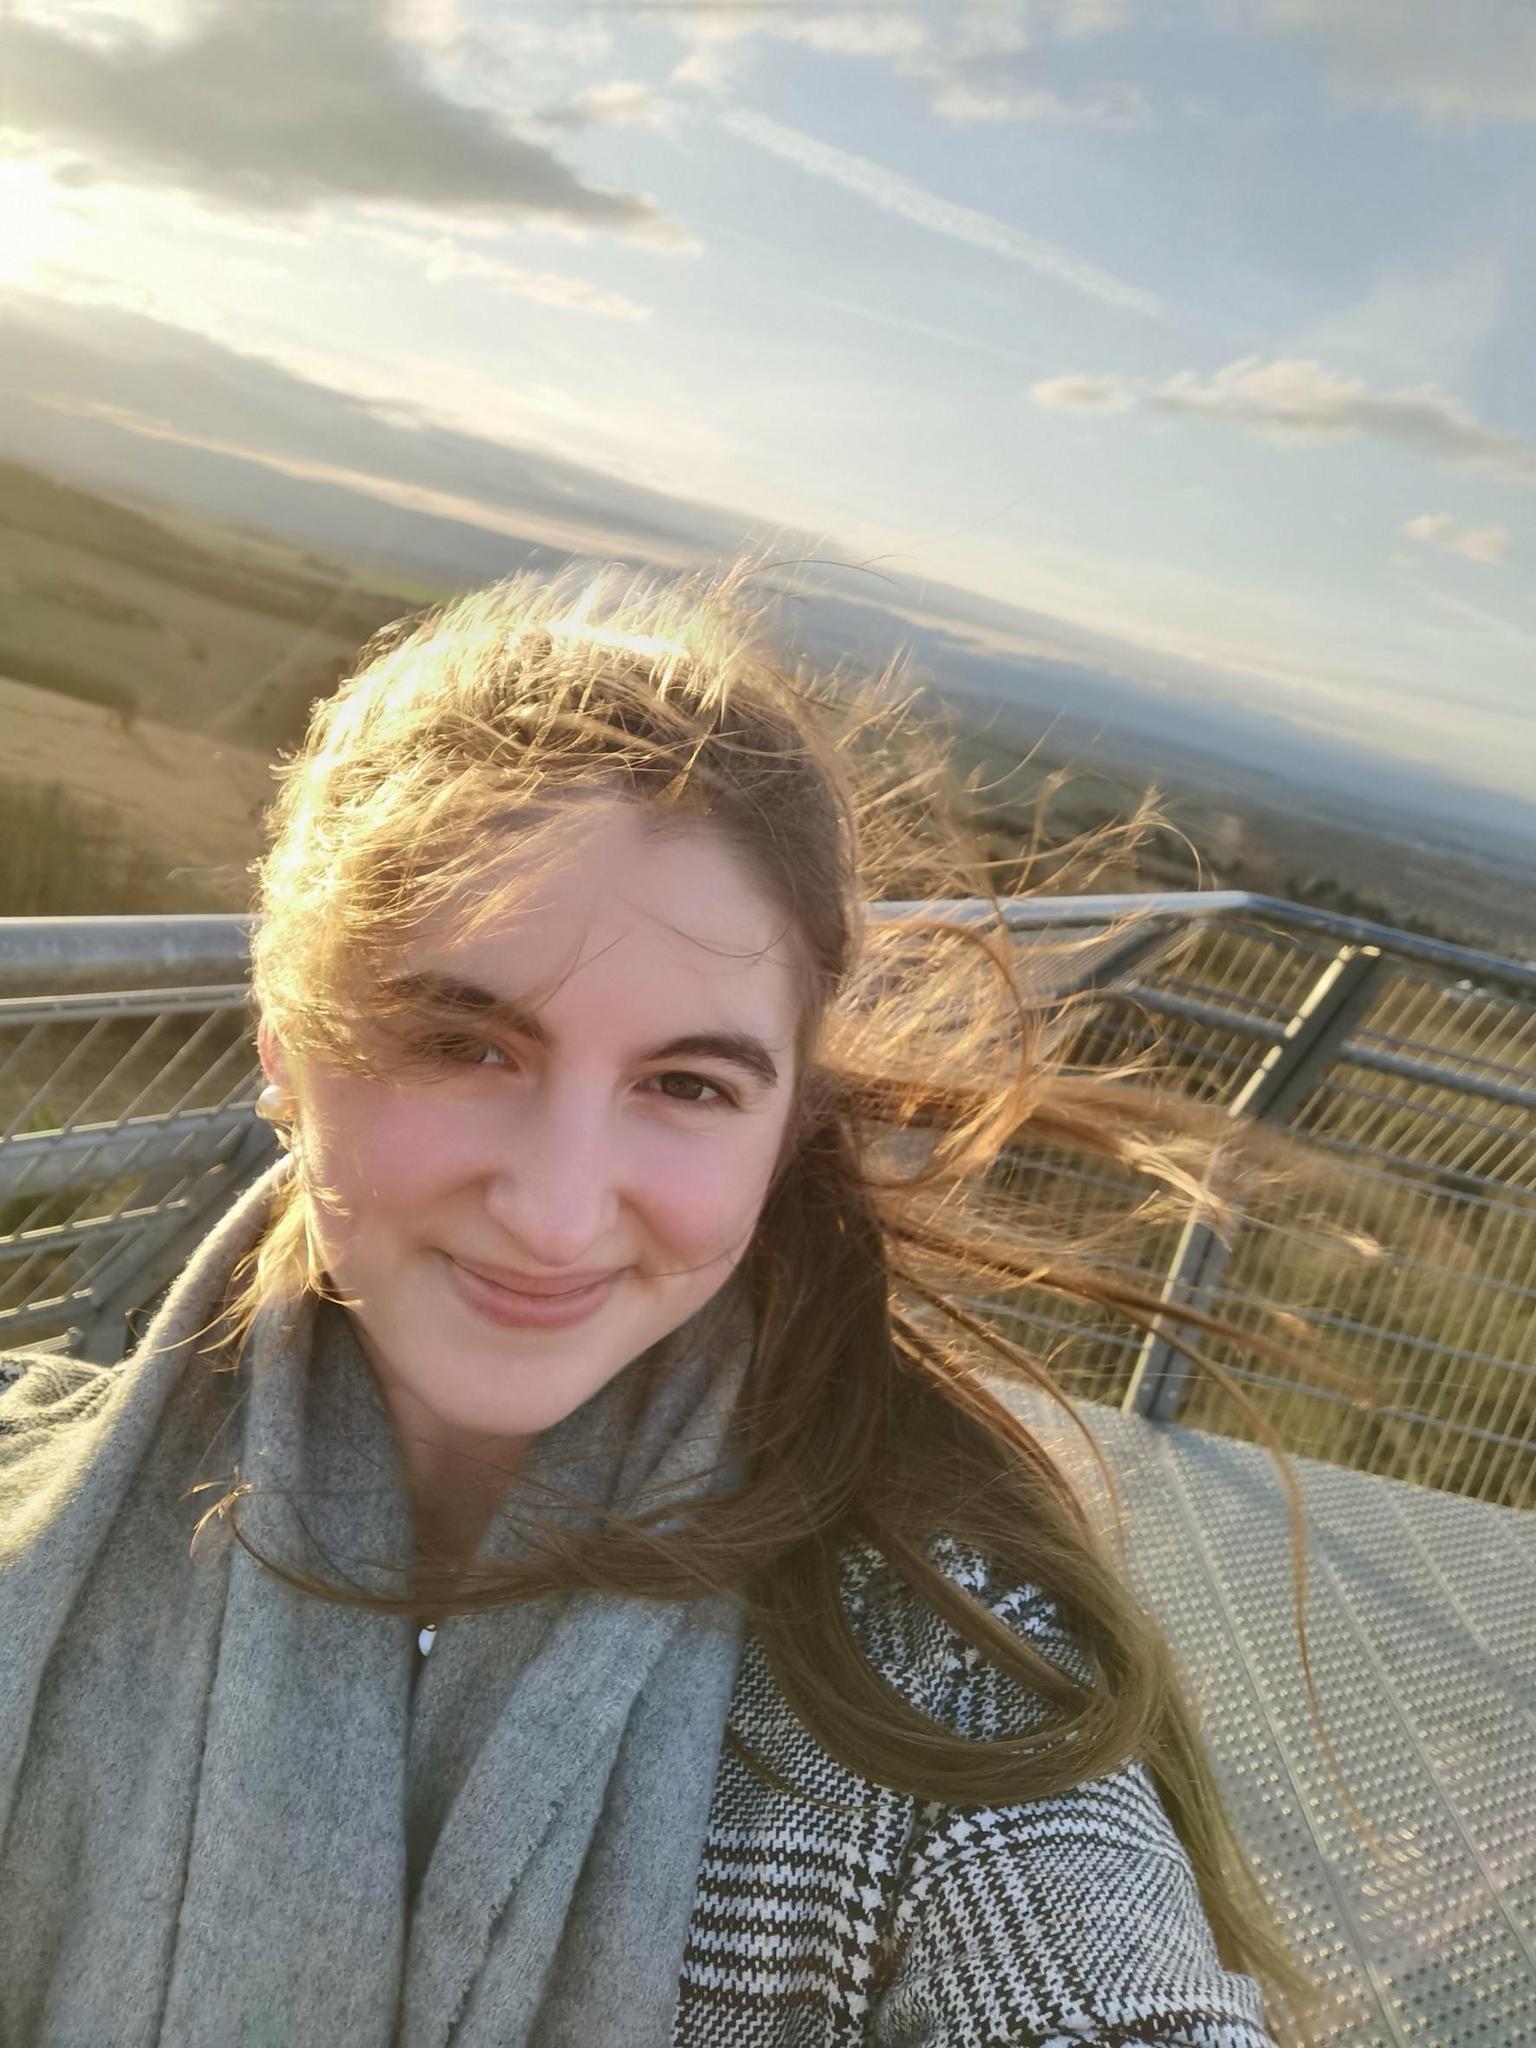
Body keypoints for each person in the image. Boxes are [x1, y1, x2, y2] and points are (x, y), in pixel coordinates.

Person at [0, 561, 1316, 2047]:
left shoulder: (941, 1687)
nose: (559, 1210)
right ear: (282, 1052)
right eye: (464, 1045)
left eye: (686, 1086)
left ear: (783, 1126)